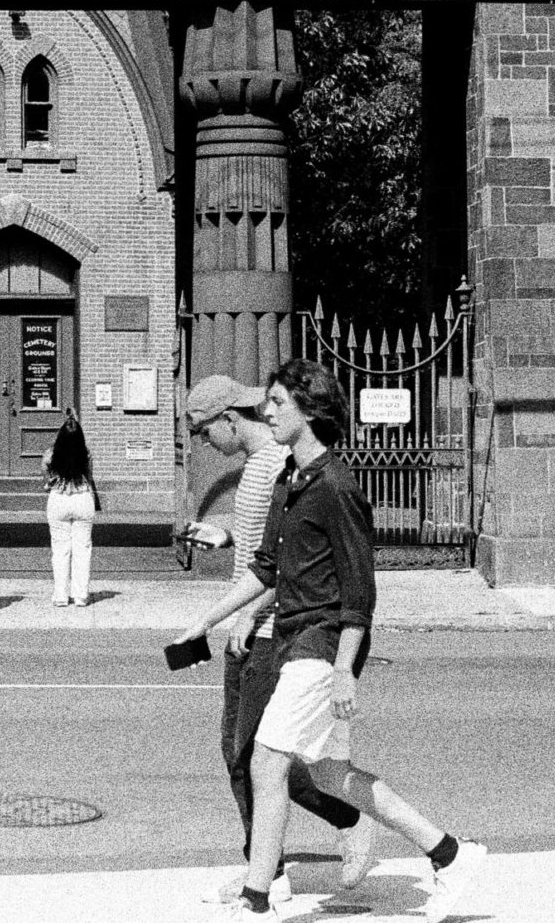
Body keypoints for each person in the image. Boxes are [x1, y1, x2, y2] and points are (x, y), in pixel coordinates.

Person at [173, 360, 486, 923]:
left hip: (321, 643)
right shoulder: (290, 480)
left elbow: (359, 592)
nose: (264, 411)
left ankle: (257, 900)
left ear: (309, 411)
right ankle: (450, 854)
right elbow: (266, 568)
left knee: (265, 761)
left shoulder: (338, 487)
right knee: (326, 774)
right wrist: (205, 621)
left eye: (275, 403)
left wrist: (345, 668)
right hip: (295, 639)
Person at [183, 374, 371, 905]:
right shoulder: (260, 467)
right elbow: (267, 548)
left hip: (272, 632)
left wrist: (249, 614)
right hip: (253, 627)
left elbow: (293, 564)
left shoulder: (280, 465)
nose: (204, 444)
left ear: (226, 419)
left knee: (262, 756)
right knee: (242, 751)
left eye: (202, 432)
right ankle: (266, 867)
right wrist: (225, 540)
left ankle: (334, 830)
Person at [42, 409, 99, 607]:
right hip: (82, 498)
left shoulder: (50, 455)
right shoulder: (87, 454)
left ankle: (60, 596)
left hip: (59, 499)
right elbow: (90, 478)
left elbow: (46, 480)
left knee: (60, 550)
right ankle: (81, 595)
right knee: (82, 549)